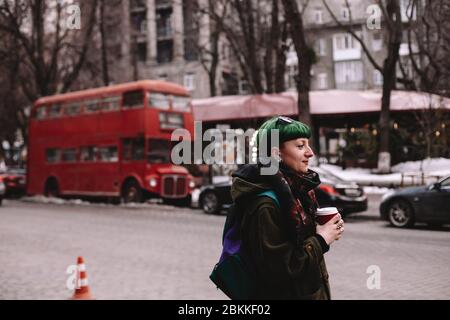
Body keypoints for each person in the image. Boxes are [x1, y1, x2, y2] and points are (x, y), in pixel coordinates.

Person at [230, 116, 345, 299]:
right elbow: (280, 269)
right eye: (300, 146)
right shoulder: (264, 205)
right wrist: (321, 239)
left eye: (308, 144)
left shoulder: (297, 191)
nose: (310, 153)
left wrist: (324, 230)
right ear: (276, 154)